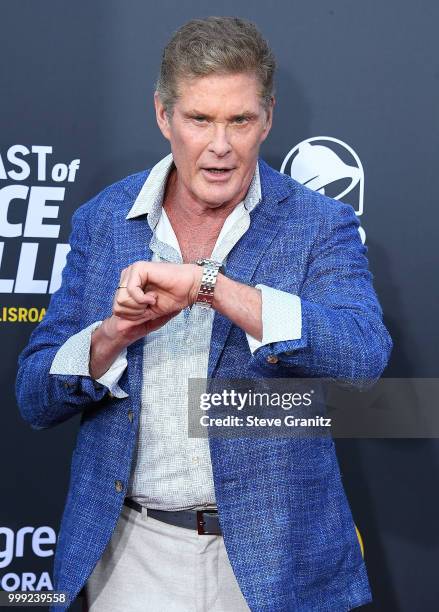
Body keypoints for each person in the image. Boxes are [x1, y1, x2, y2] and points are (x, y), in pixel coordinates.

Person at [15, 16, 392, 612]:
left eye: (239, 120)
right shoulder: (104, 220)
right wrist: (114, 335)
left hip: (279, 564)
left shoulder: (320, 224)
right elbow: (34, 396)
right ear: (164, 116)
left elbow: (363, 355)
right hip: (130, 558)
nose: (221, 145)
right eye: (200, 119)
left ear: (267, 117)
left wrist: (210, 286)